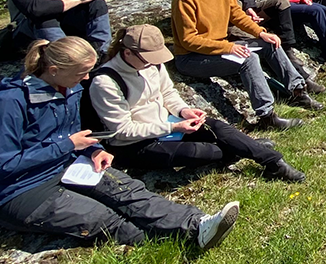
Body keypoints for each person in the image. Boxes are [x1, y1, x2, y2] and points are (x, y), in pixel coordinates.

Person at [0, 36, 241, 249]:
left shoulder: (70, 88)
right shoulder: (5, 106)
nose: (87, 79)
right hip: (21, 190)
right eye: (82, 72)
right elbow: (2, 166)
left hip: (67, 165)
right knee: (103, 218)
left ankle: (199, 224)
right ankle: (172, 244)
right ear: (54, 70)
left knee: (129, 192)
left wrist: (93, 150)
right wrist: (69, 146)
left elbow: (75, 134)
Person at [90, 24, 306, 182]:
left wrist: (183, 110)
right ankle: (248, 147)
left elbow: (168, 92)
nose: (153, 63)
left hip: (168, 126)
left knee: (218, 127)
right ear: (127, 53)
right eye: (148, 58)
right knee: (202, 152)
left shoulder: (151, 64)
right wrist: (172, 126)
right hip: (136, 145)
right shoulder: (105, 82)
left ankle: (273, 163)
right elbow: (122, 131)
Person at [170, 0, 322, 128]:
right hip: (191, 58)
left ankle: (298, 92)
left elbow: (237, 15)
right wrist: (229, 48)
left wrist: (261, 33)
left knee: (269, 45)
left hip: (217, 48)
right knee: (248, 59)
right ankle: (267, 116)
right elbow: (189, 40)